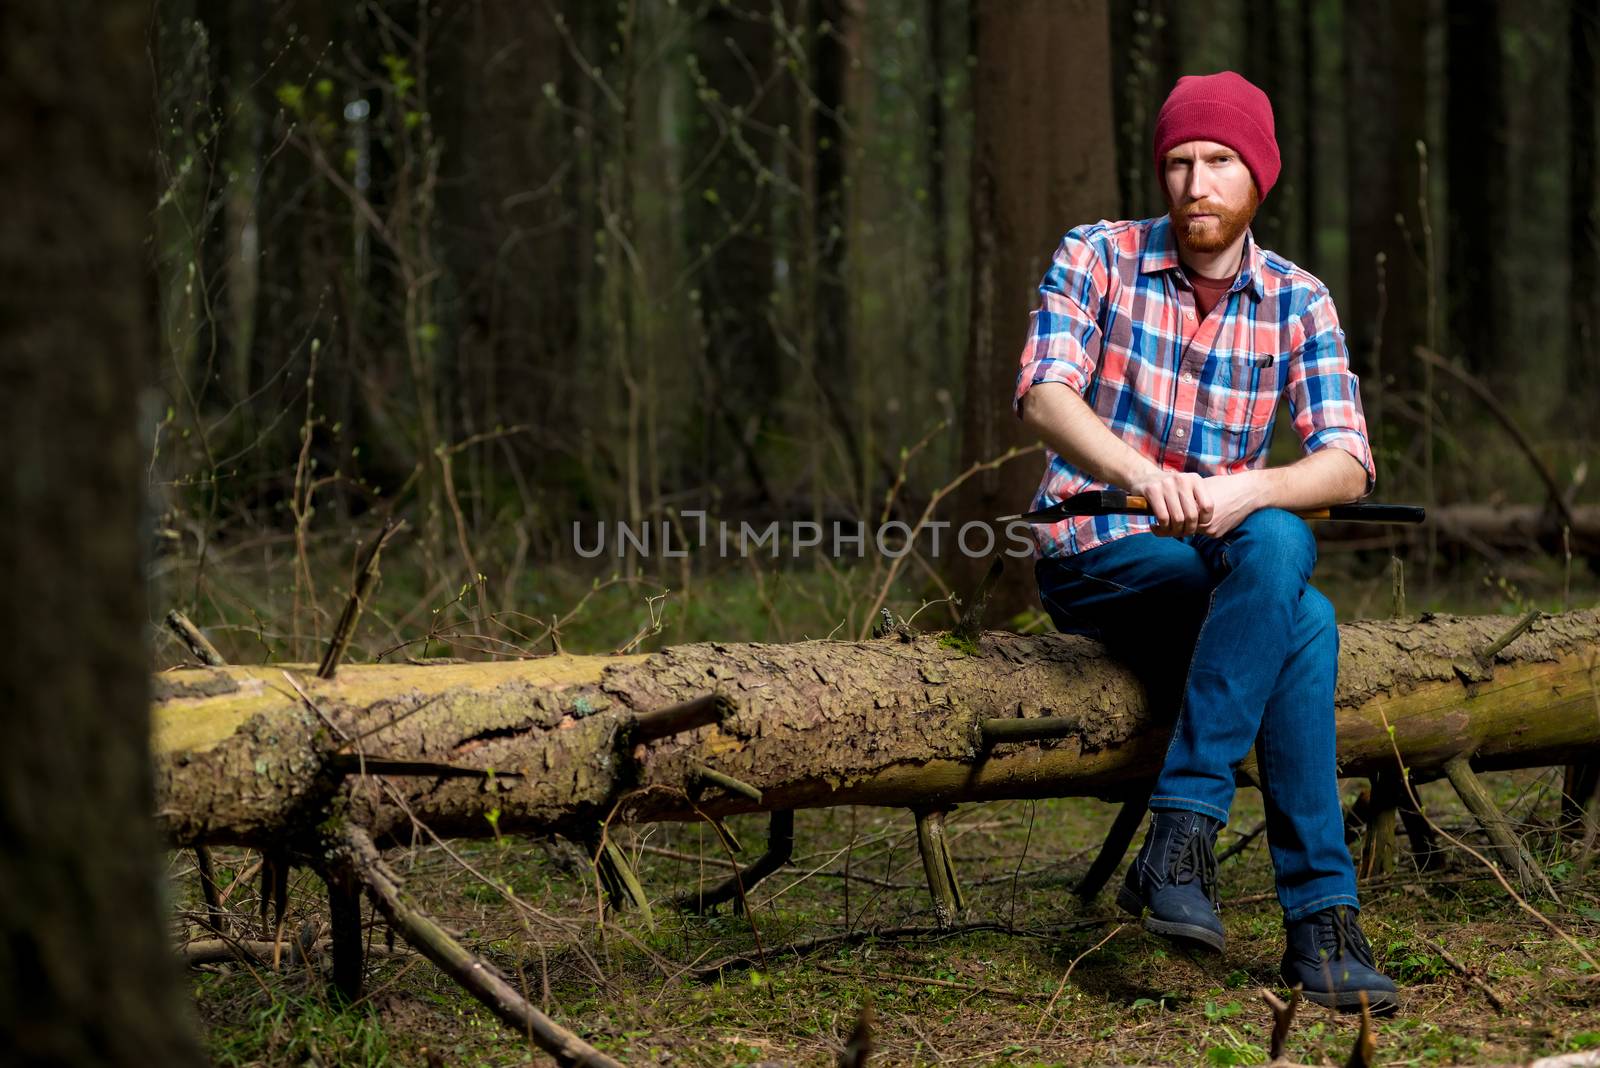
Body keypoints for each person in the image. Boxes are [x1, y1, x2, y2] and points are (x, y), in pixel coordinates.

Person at [1012, 71, 1398, 1013]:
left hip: (1227, 562)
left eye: (1219, 161)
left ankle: (1186, 849)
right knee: (1301, 618)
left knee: (1277, 557)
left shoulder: (1297, 300)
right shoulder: (1097, 256)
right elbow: (1043, 392)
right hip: (1100, 549)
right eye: (1179, 162)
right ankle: (1319, 920)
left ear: (1258, 175)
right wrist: (1146, 478)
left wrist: (1242, 491)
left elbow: (1347, 461)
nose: (1195, 184)